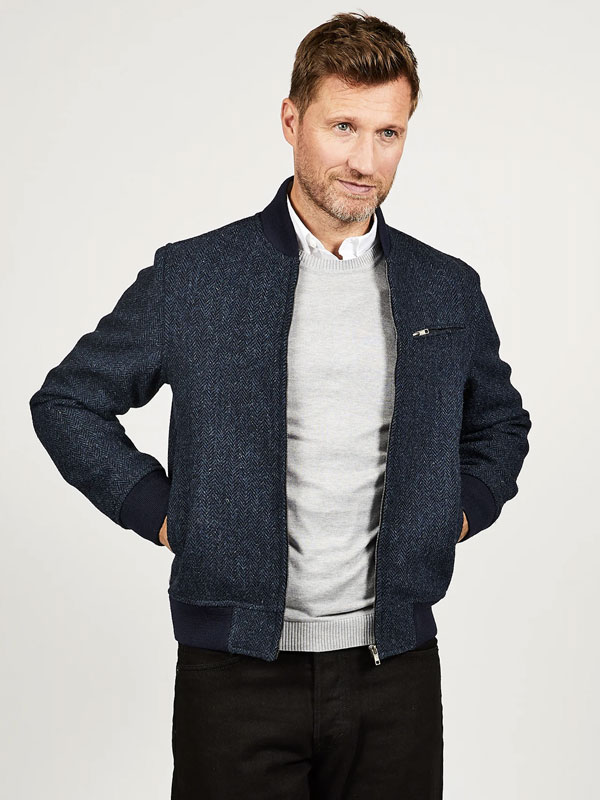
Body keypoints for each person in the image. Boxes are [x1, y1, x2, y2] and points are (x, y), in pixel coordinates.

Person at [29, 11, 532, 799]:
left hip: (393, 671)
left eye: (388, 133)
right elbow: (69, 401)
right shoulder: (196, 277)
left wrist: (454, 513)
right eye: (343, 126)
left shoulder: (445, 287)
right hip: (234, 674)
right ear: (292, 121)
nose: (365, 160)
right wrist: (167, 514)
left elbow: (500, 424)